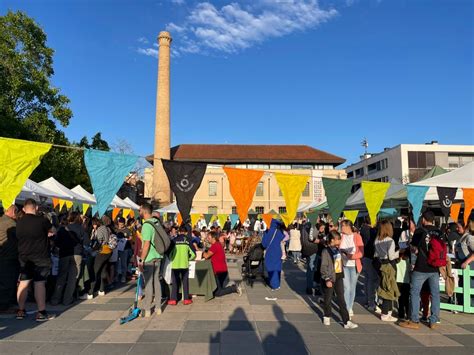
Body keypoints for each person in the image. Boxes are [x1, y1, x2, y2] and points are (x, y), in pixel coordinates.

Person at [400, 210, 442, 330]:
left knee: (414, 293)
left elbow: (414, 248)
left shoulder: (420, 231)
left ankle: (414, 320)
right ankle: (434, 320)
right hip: (434, 268)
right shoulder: (439, 232)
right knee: (435, 294)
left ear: (423, 219)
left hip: (421, 267)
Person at [16, 199, 53, 321]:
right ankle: (41, 312)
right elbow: (52, 231)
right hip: (40, 257)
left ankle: (20, 310)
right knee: (39, 283)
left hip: (24, 257)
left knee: (23, 283)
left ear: (23, 209)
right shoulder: (42, 221)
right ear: (36, 208)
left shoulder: (19, 222)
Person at [320, 230, 359, 329]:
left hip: (339, 277)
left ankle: (346, 321)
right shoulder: (326, 251)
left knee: (341, 299)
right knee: (328, 298)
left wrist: (345, 254)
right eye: (338, 240)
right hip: (330, 277)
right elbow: (323, 266)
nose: (339, 242)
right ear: (332, 240)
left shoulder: (338, 250)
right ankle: (327, 315)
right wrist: (327, 279)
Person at [50, 213, 82, 306]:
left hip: (64, 254)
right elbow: (86, 241)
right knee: (73, 278)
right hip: (76, 254)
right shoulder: (79, 228)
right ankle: (67, 300)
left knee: (61, 277)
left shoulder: (61, 230)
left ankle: (55, 299)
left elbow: (57, 243)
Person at [138, 203, 163, 317]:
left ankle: (147, 309)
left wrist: (141, 260)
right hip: (158, 255)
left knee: (148, 283)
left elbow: (146, 244)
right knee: (157, 281)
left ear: (144, 211)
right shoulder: (156, 222)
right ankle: (158, 307)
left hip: (149, 257)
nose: (139, 212)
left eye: (140, 210)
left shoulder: (146, 225)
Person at [374, 220, 400, 322]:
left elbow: (376, 254)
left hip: (380, 264)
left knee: (384, 286)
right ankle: (385, 313)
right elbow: (391, 256)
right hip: (389, 264)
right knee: (389, 288)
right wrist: (399, 252)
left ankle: (388, 311)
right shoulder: (390, 240)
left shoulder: (377, 240)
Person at [82, 216, 113, 299]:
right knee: (103, 270)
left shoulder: (100, 229)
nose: (93, 226)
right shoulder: (107, 228)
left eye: (94, 224)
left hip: (101, 252)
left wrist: (92, 249)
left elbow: (99, 242)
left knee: (94, 272)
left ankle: (90, 293)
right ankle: (102, 290)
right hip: (108, 251)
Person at [203, 231, 242, 297]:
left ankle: (234, 288)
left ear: (213, 238)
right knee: (216, 288)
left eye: (209, 238)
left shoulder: (214, 246)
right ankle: (223, 287)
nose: (207, 239)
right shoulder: (218, 244)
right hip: (223, 271)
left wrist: (202, 252)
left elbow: (206, 256)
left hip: (218, 272)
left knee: (218, 293)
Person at [340, 220, 364, 317]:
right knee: (346, 287)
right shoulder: (341, 236)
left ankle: (350, 307)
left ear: (348, 227)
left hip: (354, 264)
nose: (341, 228)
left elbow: (361, 253)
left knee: (352, 287)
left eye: (343, 226)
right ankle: (346, 307)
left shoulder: (357, 236)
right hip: (344, 264)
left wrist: (351, 256)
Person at [168, 226, 196, 306]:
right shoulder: (188, 241)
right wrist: (188, 258)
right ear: (186, 232)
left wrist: (172, 258)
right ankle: (186, 299)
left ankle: (173, 299)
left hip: (175, 264)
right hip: (184, 264)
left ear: (179, 232)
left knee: (175, 282)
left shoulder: (174, 241)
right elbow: (193, 254)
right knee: (185, 281)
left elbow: (170, 254)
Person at [0, 205, 19, 311]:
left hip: (3, 255)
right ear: (11, 211)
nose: (17, 213)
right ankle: (4, 306)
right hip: (8, 256)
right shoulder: (10, 223)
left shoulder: (1, 220)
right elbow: (20, 236)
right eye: (16, 211)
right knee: (7, 281)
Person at [360, 217, 380, 312]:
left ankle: (367, 300)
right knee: (372, 280)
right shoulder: (372, 231)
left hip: (364, 256)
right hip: (371, 257)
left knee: (367, 279)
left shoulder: (363, 230)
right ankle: (371, 302)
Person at [262, 220, 286, 290]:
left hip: (270, 252)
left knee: (271, 268)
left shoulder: (267, 231)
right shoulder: (279, 231)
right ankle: (277, 284)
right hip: (278, 252)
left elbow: (264, 244)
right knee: (277, 267)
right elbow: (284, 239)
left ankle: (274, 285)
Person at [455, 218, 474, 307]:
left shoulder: (469, 237)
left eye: (458, 227)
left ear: (465, 227)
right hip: (461, 264)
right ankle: (462, 304)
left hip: (469, 265)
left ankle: (471, 305)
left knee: (470, 286)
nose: (456, 229)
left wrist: (466, 262)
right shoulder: (461, 238)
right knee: (461, 285)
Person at [300, 221, 320, 295]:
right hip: (312, 249)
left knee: (309, 269)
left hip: (306, 249)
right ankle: (310, 287)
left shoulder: (304, 226)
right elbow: (311, 238)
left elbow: (301, 238)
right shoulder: (312, 226)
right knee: (311, 269)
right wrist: (320, 241)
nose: (318, 219)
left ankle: (309, 286)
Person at [115, 217, 132, 283]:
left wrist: (128, 239)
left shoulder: (127, 230)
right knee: (116, 263)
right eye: (119, 224)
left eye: (122, 224)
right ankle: (116, 276)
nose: (120, 226)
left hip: (125, 249)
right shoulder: (116, 230)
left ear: (124, 224)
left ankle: (123, 276)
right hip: (117, 249)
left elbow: (131, 237)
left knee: (123, 263)